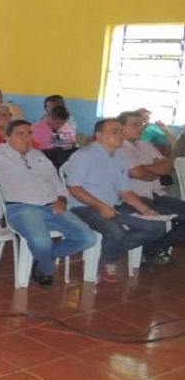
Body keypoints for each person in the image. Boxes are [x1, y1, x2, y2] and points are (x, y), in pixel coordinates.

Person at [0, 120, 97, 285]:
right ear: (7, 137)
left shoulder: (38, 155)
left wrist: (62, 199)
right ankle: (46, 268)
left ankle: (42, 257)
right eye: (20, 134)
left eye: (29, 134)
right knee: (41, 241)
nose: (26, 138)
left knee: (88, 238)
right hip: (22, 209)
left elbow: (56, 182)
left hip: (53, 206)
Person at [65, 118, 167, 282]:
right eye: (115, 131)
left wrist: (146, 210)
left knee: (157, 227)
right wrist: (100, 206)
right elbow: (75, 189)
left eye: (121, 131)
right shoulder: (84, 155)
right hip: (85, 207)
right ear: (99, 135)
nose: (120, 135)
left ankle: (106, 253)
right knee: (116, 231)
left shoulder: (119, 160)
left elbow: (126, 192)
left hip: (114, 206)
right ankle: (108, 260)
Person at [117, 110, 185, 265]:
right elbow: (138, 173)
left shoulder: (145, 145)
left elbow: (168, 167)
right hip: (134, 196)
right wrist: (152, 168)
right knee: (157, 224)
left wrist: (146, 169)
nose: (140, 128)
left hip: (157, 193)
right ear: (121, 128)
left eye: (141, 124)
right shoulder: (119, 148)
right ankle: (154, 248)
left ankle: (152, 247)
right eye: (134, 125)